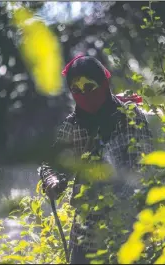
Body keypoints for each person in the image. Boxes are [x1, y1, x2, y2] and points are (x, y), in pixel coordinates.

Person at [38, 55, 154, 264]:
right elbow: (51, 163)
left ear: (103, 83)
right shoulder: (71, 126)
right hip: (86, 233)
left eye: (90, 86)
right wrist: (52, 181)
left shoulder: (129, 117)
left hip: (129, 226)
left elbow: (142, 166)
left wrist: (115, 202)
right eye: (77, 90)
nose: (85, 94)